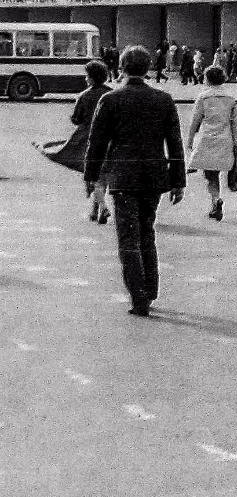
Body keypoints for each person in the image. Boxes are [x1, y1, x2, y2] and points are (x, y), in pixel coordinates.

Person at [84, 46, 186, 317]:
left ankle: (138, 295)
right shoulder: (163, 99)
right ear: (148, 67)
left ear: (121, 66)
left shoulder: (110, 99)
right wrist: (178, 180)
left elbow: (96, 143)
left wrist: (90, 176)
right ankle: (150, 289)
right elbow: (174, 144)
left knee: (128, 237)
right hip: (154, 176)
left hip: (123, 177)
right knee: (147, 232)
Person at [40, 60, 114, 221]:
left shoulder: (84, 95)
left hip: (87, 139)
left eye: (87, 76)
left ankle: (102, 208)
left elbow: (76, 119)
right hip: (109, 138)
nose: (85, 79)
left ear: (92, 78)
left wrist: (74, 118)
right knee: (102, 175)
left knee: (92, 173)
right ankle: (96, 211)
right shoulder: (112, 94)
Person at [187, 66, 237, 222]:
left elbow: (196, 121)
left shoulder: (203, 97)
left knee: (210, 174)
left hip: (208, 139)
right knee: (221, 170)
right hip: (226, 139)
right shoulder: (230, 98)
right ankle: (216, 201)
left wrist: (190, 139)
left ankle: (216, 200)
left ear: (207, 79)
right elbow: (234, 123)